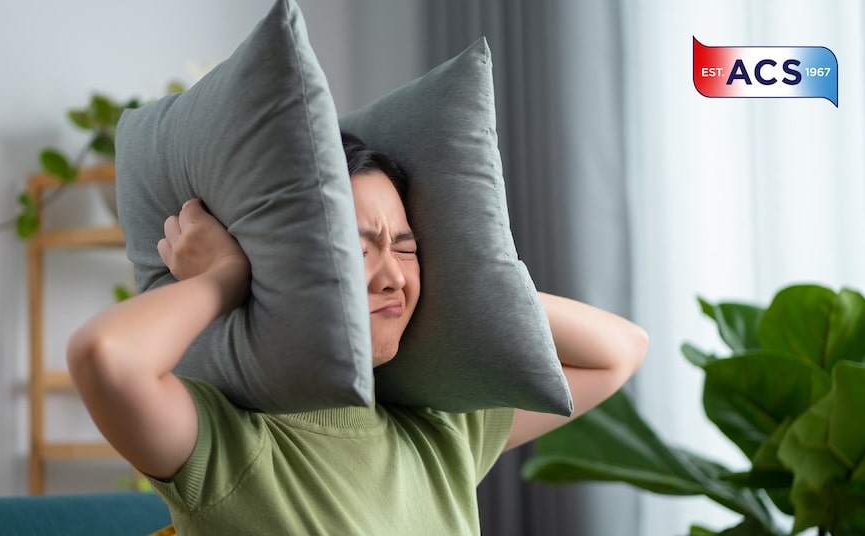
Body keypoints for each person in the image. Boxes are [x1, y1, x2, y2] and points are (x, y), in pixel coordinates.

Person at [67, 133, 649, 535]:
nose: (392, 273)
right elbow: (106, 356)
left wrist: (469, 279)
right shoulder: (229, 447)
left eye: (406, 246)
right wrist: (228, 275)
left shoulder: (441, 429)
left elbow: (621, 352)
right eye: (356, 247)